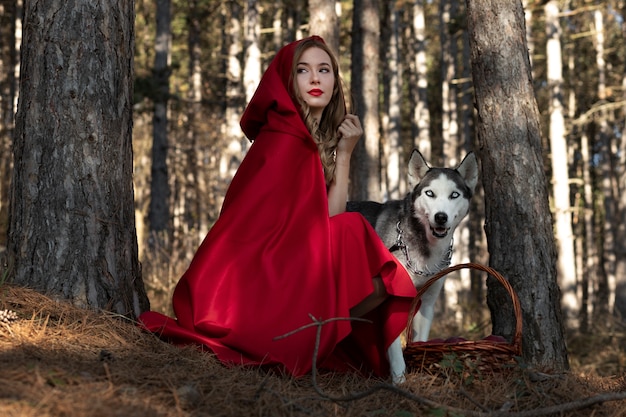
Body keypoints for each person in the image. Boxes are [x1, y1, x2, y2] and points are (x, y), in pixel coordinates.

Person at [139, 36, 417, 379]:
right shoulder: (284, 139)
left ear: (334, 82)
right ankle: (304, 343)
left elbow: (329, 220)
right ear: (288, 82)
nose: (315, 78)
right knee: (359, 237)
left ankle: (315, 339)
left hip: (281, 268)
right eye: (303, 71)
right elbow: (268, 231)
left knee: (361, 243)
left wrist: (343, 155)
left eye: (324, 70)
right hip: (253, 285)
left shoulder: (304, 139)